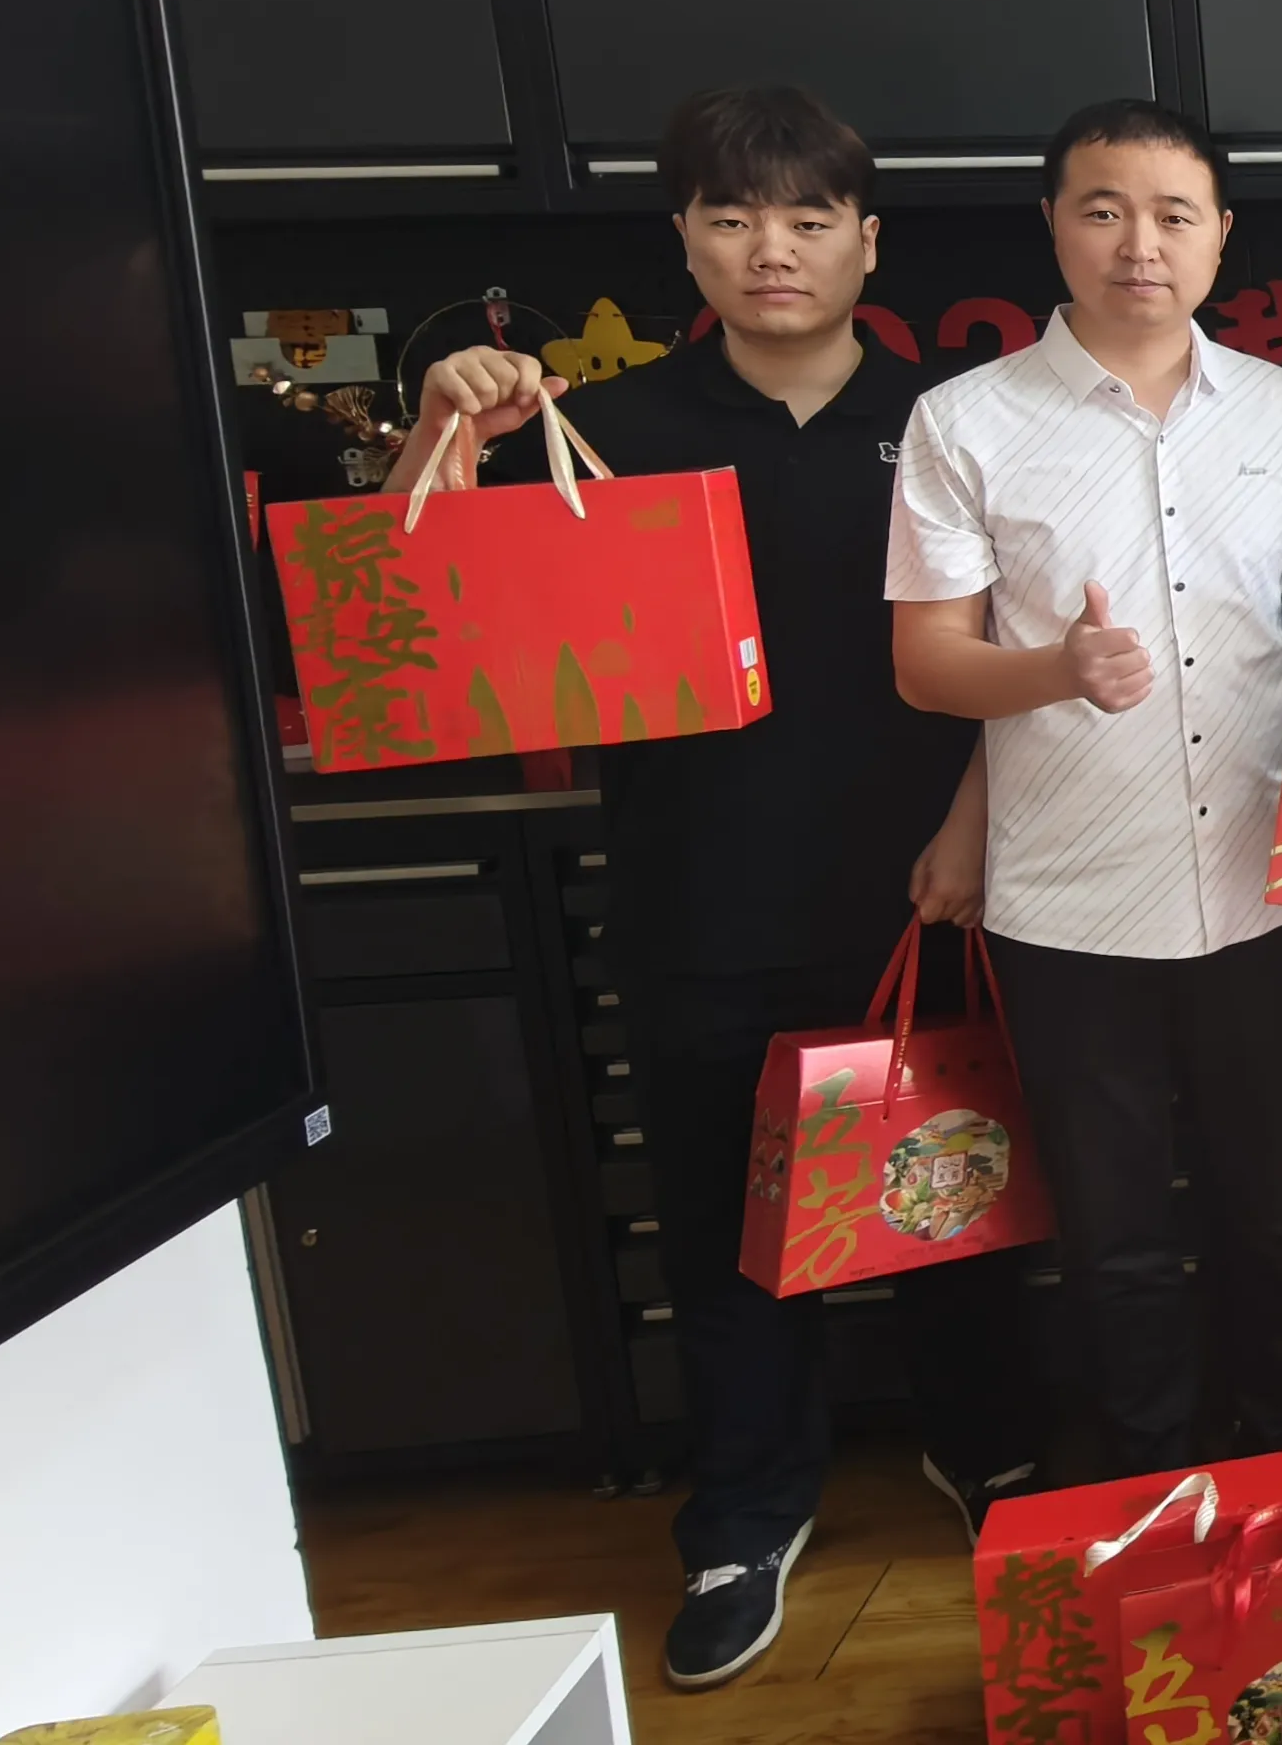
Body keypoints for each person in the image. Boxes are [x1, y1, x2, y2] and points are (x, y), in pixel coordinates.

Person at [385, 85, 1041, 1690]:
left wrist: (972, 828)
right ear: (683, 237)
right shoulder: (608, 430)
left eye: (809, 219)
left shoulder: (954, 421)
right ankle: (747, 1511)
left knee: (955, 1195)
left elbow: (1017, 653)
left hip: (928, 887)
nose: (772, 250)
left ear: (866, 241)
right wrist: (444, 433)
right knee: (728, 1228)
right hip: (697, 890)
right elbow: (428, 617)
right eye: (734, 218)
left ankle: (990, 1455)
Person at [886, 99, 1282, 1485]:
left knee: (1281, 1216)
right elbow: (925, 665)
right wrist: (1058, 671)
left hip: (1269, 888)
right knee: (1117, 1233)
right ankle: (1153, 1492)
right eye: (1104, 210)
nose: (1140, 244)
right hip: (1074, 902)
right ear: (1053, 226)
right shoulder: (965, 421)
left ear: (1220, 237)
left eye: (1173, 215)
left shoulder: (1280, 409)